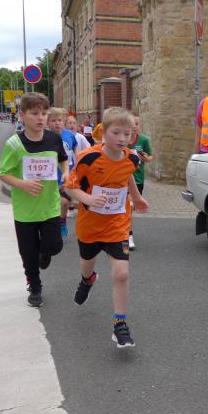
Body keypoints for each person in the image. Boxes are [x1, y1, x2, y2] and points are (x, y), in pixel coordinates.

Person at [65, 107, 149, 349]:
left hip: (117, 224)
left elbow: (127, 174)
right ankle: (87, 280)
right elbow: (70, 186)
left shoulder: (132, 158)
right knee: (87, 265)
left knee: (122, 273)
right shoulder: (88, 158)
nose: (122, 139)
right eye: (116, 133)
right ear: (103, 133)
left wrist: (136, 198)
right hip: (90, 226)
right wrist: (88, 199)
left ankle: (120, 325)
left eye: (127, 134)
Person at [0, 92, 69, 307]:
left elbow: (63, 160)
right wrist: (23, 184)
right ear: (22, 115)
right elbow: (3, 174)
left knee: (54, 246)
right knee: (28, 255)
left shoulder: (54, 139)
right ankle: (35, 287)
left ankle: (44, 254)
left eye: (44, 114)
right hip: (25, 211)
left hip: (49, 206)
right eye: (35, 113)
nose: (41, 118)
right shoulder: (13, 144)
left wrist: (66, 173)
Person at [48, 107, 79, 238]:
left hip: (66, 175)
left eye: (59, 120)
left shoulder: (69, 135)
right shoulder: (45, 136)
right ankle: (51, 224)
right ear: (48, 122)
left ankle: (62, 222)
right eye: (53, 120)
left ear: (64, 121)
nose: (57, 123)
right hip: (50, 175)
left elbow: (75, 148)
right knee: (52, 203)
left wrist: (77, 162)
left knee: (65, 202)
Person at [127, 115, 153, 250]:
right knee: (128, 207)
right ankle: (128, 236)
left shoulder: (144, 140)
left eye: (137, 123)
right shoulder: (122, 139)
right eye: (132, 123)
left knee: (130, 208)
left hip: (137, 179)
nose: (134, 126)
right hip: (122, 179)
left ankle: (123, 232)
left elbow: (149, 157)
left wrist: (144, 157)